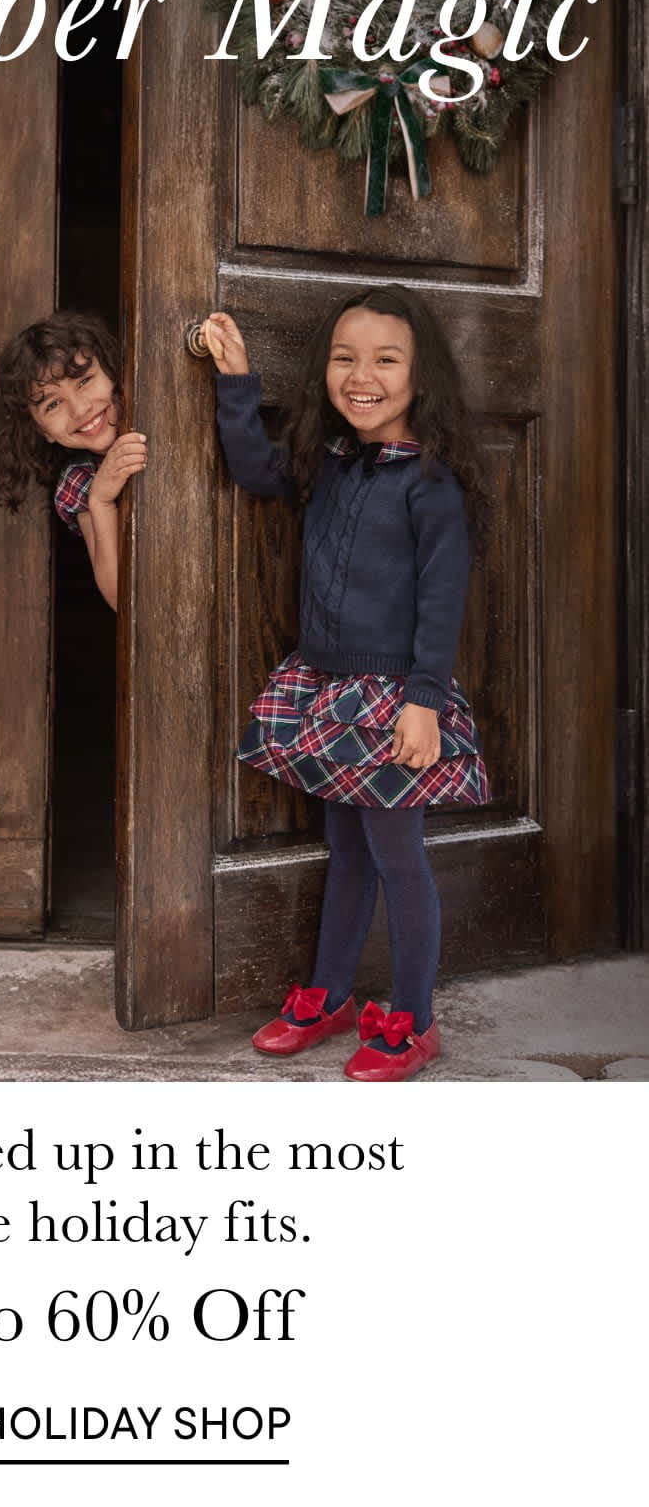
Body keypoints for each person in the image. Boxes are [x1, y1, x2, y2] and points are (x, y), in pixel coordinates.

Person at [205, 285, 490, 1081]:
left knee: (398, 856)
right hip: (328, 692)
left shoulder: (430, 484)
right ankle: (328, 994)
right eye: (344, 357)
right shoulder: (329, 459)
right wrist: (234, 381)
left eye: (385, 360)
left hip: (394, 698)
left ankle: (412, 1019)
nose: (360, 375)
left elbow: (441, 598)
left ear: (420, 377)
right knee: (344, 848)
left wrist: (424, 701)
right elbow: (255, 470)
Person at [0, 312, 146, 609]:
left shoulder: (158, 416)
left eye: (84, 381)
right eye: (53, 404)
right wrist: (101, 501)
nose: (81, 408)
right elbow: (121, 599)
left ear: (112, 369)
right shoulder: (79, 480)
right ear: (41, 431)